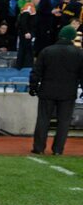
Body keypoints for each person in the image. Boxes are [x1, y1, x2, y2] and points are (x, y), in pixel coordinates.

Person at [30, 25, 83, 156]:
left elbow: (37, 71)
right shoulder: (78, 53)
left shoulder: (47, 51)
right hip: (68, 91)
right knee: (64, 122)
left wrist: (33, 86)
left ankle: (39, 147)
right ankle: (58, 149)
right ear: (72, 37)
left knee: (43, 119)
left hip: (47, 89)